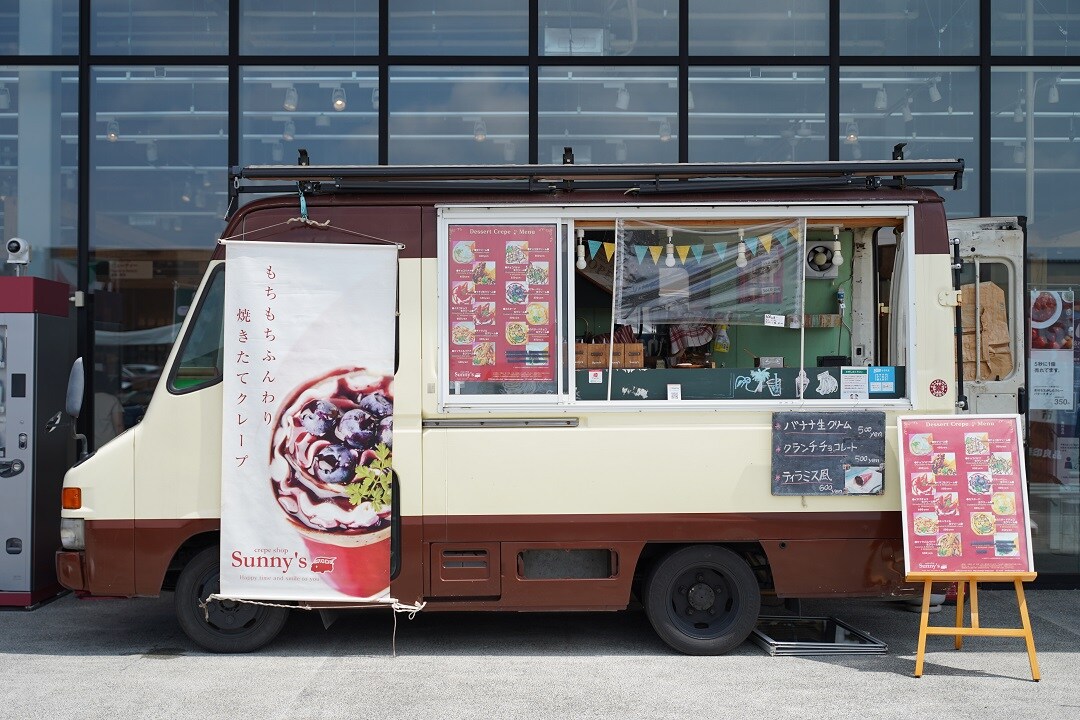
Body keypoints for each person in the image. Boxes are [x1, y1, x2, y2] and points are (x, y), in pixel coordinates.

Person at [94, 371, 124, 448]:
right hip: (109, 445)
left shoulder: (84, 401)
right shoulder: (112, 400)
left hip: (90, 444)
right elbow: (118, 425)